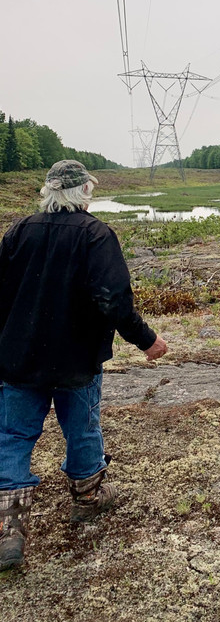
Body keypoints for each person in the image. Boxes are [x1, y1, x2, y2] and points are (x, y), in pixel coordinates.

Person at [0, 160, 167, 571]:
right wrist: (147, 341)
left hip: (18, 357)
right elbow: (114, 300)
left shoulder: (19, 231)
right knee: (83, 426)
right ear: (84, 192)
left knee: (12, 436)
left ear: (49, 192)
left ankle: (8, 530)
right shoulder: (96, 235)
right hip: (77, 358)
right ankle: (88, 498)